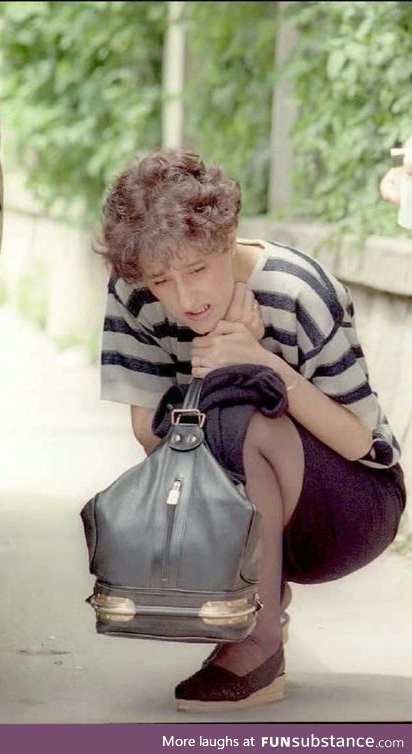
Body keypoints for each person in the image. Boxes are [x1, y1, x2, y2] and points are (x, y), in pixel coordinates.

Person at [95, 148, 406, 712]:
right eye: (163, 280)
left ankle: (259, 647)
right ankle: (252, 595)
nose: (186, 298)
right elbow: (150, 435)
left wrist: (263, 365)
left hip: (352, 510)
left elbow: (370, 447)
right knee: (225, 409)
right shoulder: (133, 294)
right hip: (237, 507)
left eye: (196, 269)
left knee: (242, 413)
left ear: (229, 235)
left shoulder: (299, 290)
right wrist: (213, 368)